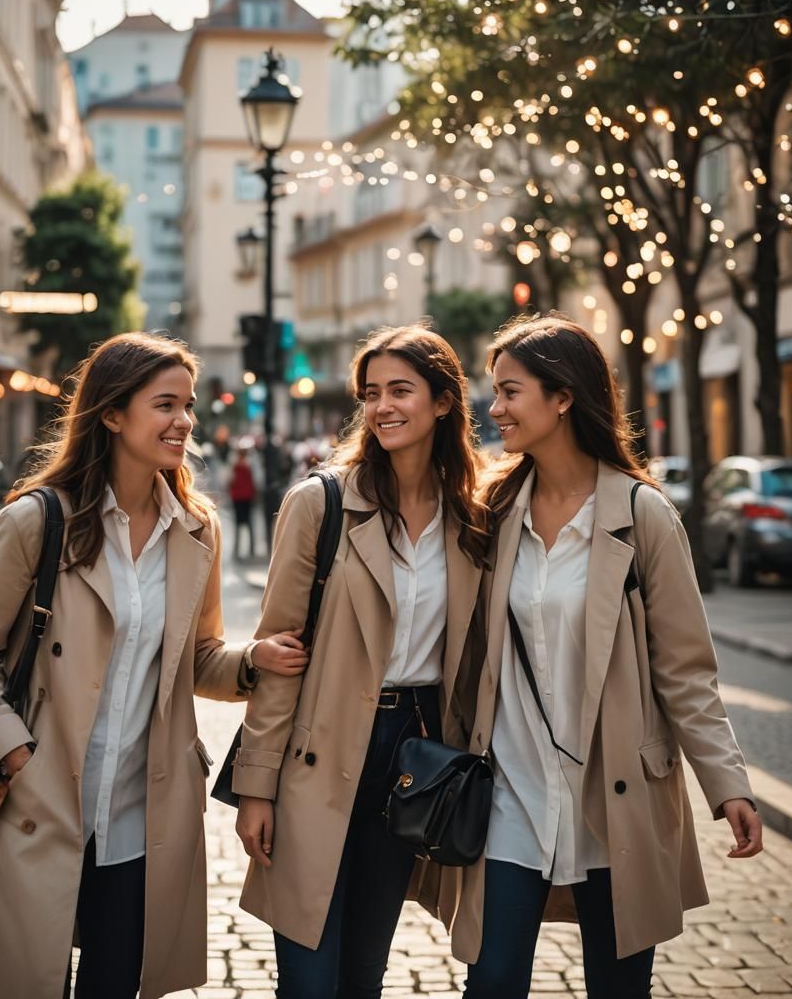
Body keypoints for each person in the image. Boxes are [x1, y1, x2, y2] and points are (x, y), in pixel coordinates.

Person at [0, 332, 308, 999]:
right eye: (165, 404)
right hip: (40, 800)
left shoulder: (196, 530)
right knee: (29, 982)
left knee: (117, 982)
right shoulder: (37, 522)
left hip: (146, 811)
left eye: (188, 406)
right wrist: (13, 754)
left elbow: (196, 658)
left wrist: (253, 659)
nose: (185, 422)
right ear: (111, 413)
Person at [447, 315, 762, 998]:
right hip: (510, 795)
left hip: (616, 794)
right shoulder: (493, 513)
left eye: (510, 391)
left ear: (563, 397)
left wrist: (727, 784)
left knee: (618, 989)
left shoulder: (642, 515)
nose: (494, 408)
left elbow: (685, 669)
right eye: (493, 392)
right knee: (492, 980)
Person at [233, 325, 490, 999]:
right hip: (318, 749)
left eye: (400, 390)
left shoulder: (471, 518)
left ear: (443, 402)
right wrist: (256, 787)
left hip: (414, 760)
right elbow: (278, 655)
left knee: (364, 972)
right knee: (308, 978)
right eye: (371, 393)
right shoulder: (319, 503)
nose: (382, 407)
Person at [229, 448, 257, 560]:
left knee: (238, 525)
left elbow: (230, 481)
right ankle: (251, 550)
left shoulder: (234, 466)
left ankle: (237, 551)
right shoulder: (249, 466)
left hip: (238, 498)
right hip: (247, 498)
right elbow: (255, 481)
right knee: (249, 524)